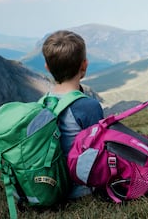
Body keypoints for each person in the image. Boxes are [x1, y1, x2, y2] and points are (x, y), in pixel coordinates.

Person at [42, 30, 104, 198]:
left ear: (47, 68)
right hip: (80, 189)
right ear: (84, 65)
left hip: (50, 183)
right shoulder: (88, 106)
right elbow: (101, 150)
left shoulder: (43, 103)